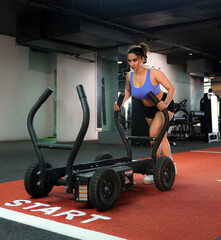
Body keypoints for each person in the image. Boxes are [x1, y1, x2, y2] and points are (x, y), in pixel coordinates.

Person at [114, 42, 176, 184]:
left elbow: (171, 88)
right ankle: (169, 165)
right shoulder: (130, 76)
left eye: (134, 60)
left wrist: (165, 103)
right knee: (161, 136)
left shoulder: (154, 73)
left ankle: (154, 169)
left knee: (154, 134)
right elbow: (128, 92)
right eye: (129, 61)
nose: (132, 64)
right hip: (147, 109)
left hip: (163, 106)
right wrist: (120, 103)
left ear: (142, 59)